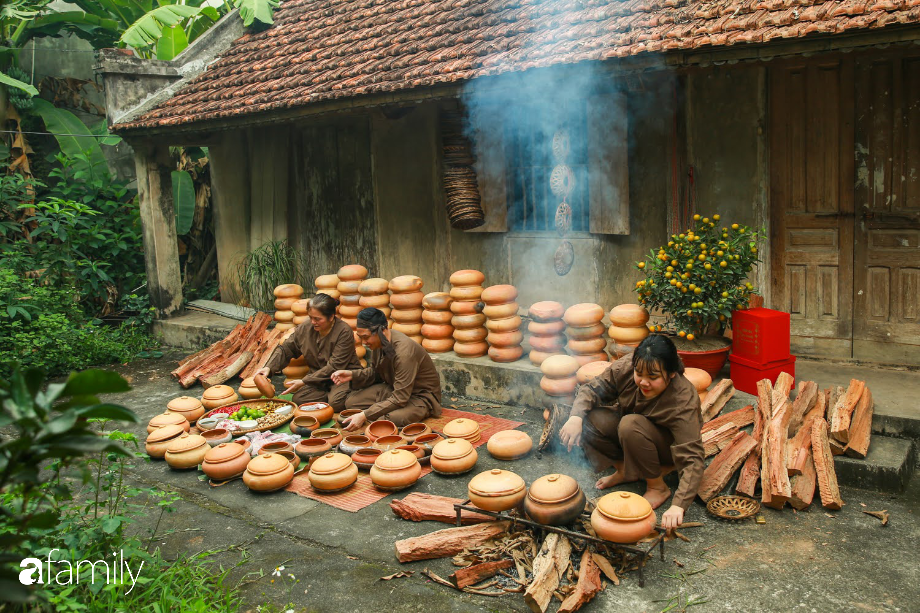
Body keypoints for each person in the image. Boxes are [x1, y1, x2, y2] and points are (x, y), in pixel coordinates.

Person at [558, 334, 704, 530]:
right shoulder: (628, 366)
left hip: (664, 449)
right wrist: (575, 417)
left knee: (630, 424)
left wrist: (679, 506)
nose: (643, 382)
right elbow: (592, 389)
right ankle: (626, 470)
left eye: (653, 377)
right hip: (631, 434)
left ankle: (657, 486)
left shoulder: (683, 399)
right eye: (639, 374)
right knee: (587, 418)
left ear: (671, 374)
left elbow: (692, 457)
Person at [331, 307, 442, 430]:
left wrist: (364, 414)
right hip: (393, 389)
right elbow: (376, 372)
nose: (363, 342)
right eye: (360, 337)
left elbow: (400, 398)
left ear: (382, 331)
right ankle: (378, 410)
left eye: (366, 337)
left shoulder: (404, 353)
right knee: (350, 403)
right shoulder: (378, 342)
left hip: (419, 397)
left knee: (384, 420)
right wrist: (352, 375)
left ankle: (413, 411)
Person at [257, 293, 361, 411]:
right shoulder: (305, 327)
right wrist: (269, 368)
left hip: (342, 377)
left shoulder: (344, 331)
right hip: (319, 380)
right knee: (299, 399)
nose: (312, 322)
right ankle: (329, 397)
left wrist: (304, 381)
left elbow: (335, 366)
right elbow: (287, 348)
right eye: (310, 317)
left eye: (317, 319)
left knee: (336, 402)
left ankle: (345, 394)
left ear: (331, 317)